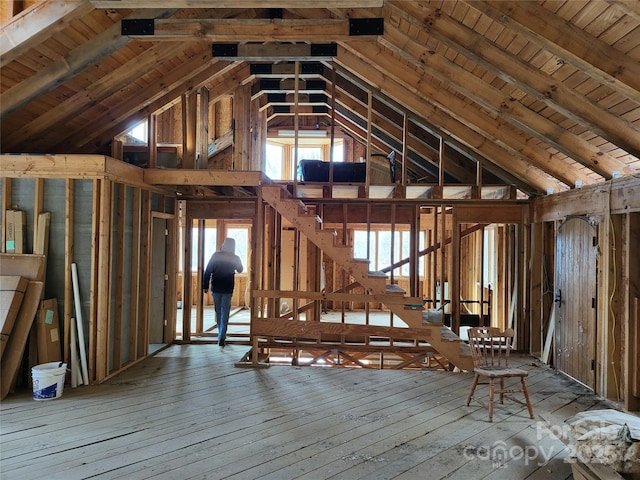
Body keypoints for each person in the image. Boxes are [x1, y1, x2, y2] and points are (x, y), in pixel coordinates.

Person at [203, 237, 243, 348]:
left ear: (224, 244)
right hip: (228, 288)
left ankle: (220, 334)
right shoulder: (235, 258)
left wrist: (205, 286)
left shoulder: (216, 256)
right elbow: (240, 269)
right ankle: (222, 336)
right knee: (225, 311)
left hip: (216, 287)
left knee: (218, 311)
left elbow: (207, 270)